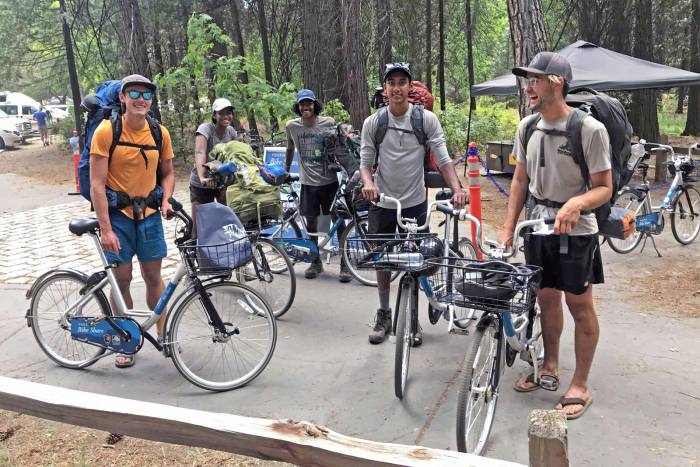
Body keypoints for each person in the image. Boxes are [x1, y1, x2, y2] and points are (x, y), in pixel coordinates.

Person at [497, 52, 611, 420]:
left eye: (534, 79)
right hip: (538, 228)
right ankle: (548, 366)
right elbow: (519, 180)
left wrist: (576, 203)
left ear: (556, 82)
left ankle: (580, 384)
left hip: (577, 232)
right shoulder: (527, 127)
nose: (527, 87)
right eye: (526, 80)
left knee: (579, 306)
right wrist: (508, 226)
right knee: (546, 299)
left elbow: (604, 188)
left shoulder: (588, 130)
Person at [359, 62, 468, 345]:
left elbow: (443, 159)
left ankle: (412, 317)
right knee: (382, 259)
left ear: (409, 87)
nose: (396, 88)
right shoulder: (374, 122)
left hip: (415, 202)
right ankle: (384, 312)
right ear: (385, 89)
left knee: (416, 261)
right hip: (383, 200)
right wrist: (368, 183)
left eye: (401, 82)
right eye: (391, 83)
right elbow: (365, 163)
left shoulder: (425, 120)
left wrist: (457, 188)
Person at [90, 74, 175, 368]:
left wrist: (165, 200)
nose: (141, 99)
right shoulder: (106, 131)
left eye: (146, 94)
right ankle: (124, 340)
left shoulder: (158, 132)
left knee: (154, 276)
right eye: (134, 93)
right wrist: (106, 229)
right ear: (123, 98)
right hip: (119, 218)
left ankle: (164, 332)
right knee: (122, 279)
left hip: (150, 216)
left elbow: (168, 172)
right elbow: (97, 185)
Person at [285, 89, 351, 282]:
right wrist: (286, 170)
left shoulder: (328, 123)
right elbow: (290, 148)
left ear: (315, 105)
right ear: (298, 107)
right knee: (311, 224)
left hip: (329, 182)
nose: (306, 107)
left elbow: (339, 146)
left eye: (309, 103)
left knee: (339, 221)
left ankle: (345, 264)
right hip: (308, 183)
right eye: (302, 104)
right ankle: (315, 262)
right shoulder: (292, 126)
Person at [189, 97, 238, 232]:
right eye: (221, 113)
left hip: (221, 181)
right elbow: (200, 152)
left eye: (229, 112)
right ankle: (195, 248)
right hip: (202, 183)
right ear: (214, 115)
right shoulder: (206, 129)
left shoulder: (231, 132)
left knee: (229, 220)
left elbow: (237, 153)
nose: (226, 116)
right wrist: (202, 177)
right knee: (199, 227)